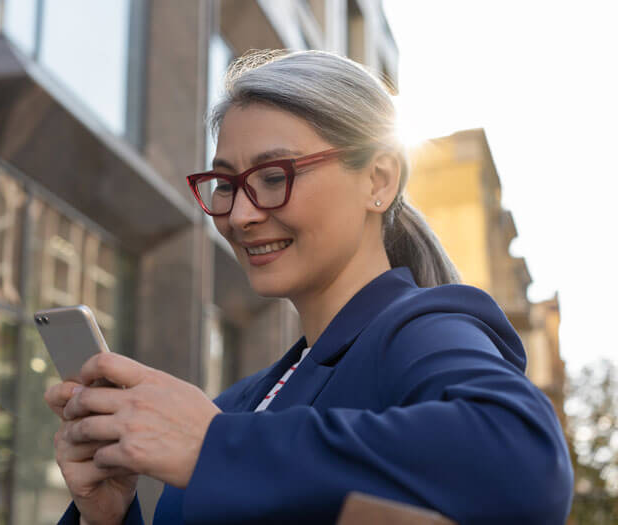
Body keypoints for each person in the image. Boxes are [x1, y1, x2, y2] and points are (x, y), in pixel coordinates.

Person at [44, 49, 573, 525]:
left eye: (274, 177)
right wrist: (106, 516)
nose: (242, 214)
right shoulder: (235, 406)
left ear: (379, 180)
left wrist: (214, 446)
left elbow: (524, 462)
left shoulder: (418, 331)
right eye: (226, 185)